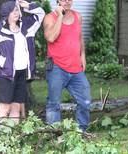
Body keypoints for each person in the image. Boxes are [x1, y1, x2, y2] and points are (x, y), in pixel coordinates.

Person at [0, 0, 45, 123]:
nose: (15, 13)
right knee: (5, 107)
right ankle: (0, 135)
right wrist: (3, 62)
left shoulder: (27, 26)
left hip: (22, 73)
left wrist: (27, 6)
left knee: (16, 106)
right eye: (12, 11)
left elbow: (40, 14)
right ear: (6, 14)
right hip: (7, 74)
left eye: (16, 10)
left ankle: (13, 137)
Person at [43, 0, 91, 131]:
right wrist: (60, 16)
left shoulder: (78, 16)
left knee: (85, 102)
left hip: (76, 68)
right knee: (54, 104)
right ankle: (55, 135)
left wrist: (83, 56)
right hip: (56, 68)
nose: (67, 1)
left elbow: (79, 38)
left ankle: (81, 133)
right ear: (58, 1)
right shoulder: (50, 17)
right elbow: (51, 37)